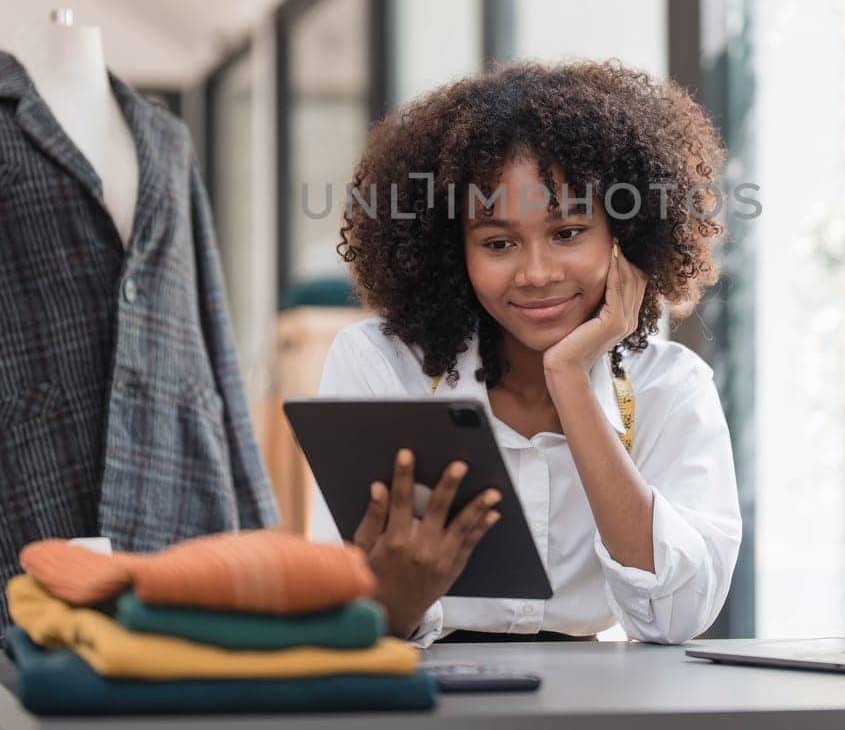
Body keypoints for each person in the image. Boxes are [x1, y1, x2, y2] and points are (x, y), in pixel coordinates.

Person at [313, 60, 741, 646]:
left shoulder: (670, 386)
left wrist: (568, 377)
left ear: (626, 235)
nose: (536, 274)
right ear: (452, 251)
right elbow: (342, 604)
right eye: (498, 242)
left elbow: (676, 619)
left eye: (567, 233)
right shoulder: (380, 366)